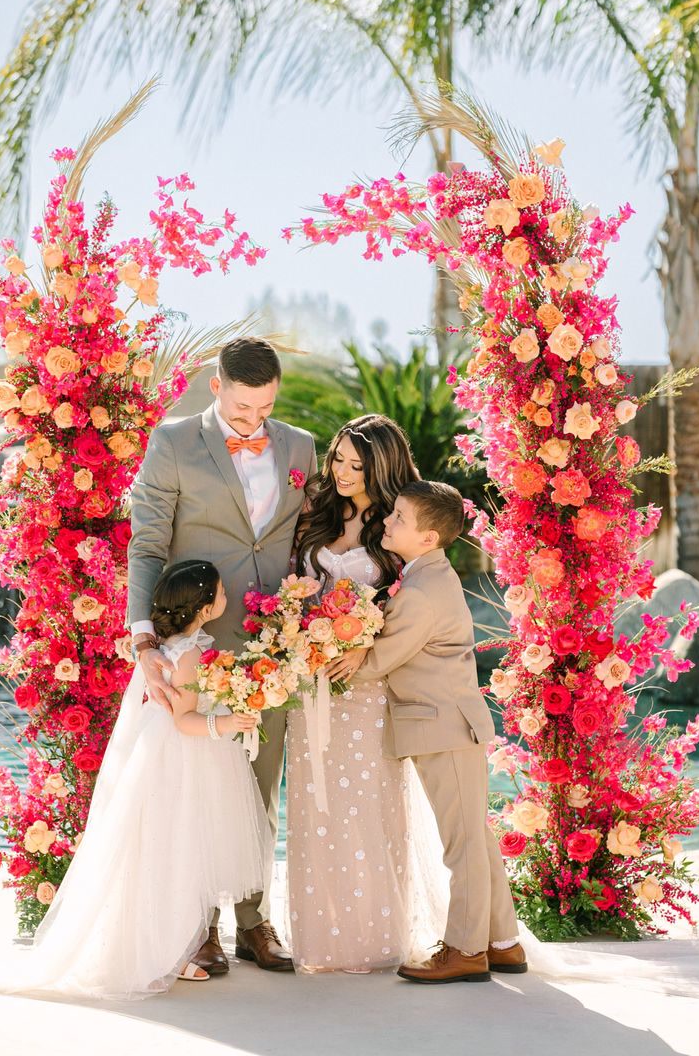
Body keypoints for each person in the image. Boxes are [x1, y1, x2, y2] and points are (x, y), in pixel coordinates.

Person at [0, 560, 270, 1001]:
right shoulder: (187, 657)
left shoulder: (168, 647)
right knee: (180, 853)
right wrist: (227, 724)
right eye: (221, 593)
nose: (227, 597)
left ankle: (172, 946)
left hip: (160, 757)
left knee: (163, 852)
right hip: (182, 760)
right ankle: (163, 953)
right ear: (204, 608)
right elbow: (185, 719)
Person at [128, 336, 316, 974]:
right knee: (198, 787)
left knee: (261, 786)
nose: (254, 420)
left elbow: (305, 540)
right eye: (241, 408)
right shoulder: (174, 442)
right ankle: (197, 926)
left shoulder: (300, 447)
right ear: (216, 386)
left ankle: (254, 921)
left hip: (274, 644)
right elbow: (148, 541)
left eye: (264, 407)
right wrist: (144, 636)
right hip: (197, 646)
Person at [328, 481, 525, 983]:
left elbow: (377, 662)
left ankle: (464, 950)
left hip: (443, 728)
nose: (388, 521)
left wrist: (338, 653)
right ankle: (502, 943)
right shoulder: (427, 577)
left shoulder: (420, 593)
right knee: (474, 840)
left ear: (429, 538)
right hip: (448, 725)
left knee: (461, 846)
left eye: (399, 518)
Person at [286, 414, 424, 973]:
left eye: (357, 464)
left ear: (381, 466)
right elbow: (291, 586)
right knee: (313, 806)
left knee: (367, 807)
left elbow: (411, 602)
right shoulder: (317, 512)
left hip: (366, 689)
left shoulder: (397, 525)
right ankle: (322, 942)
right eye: (338, 459)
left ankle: (375, 939)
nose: (343, 472)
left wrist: (366, 646)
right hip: (307, 681)